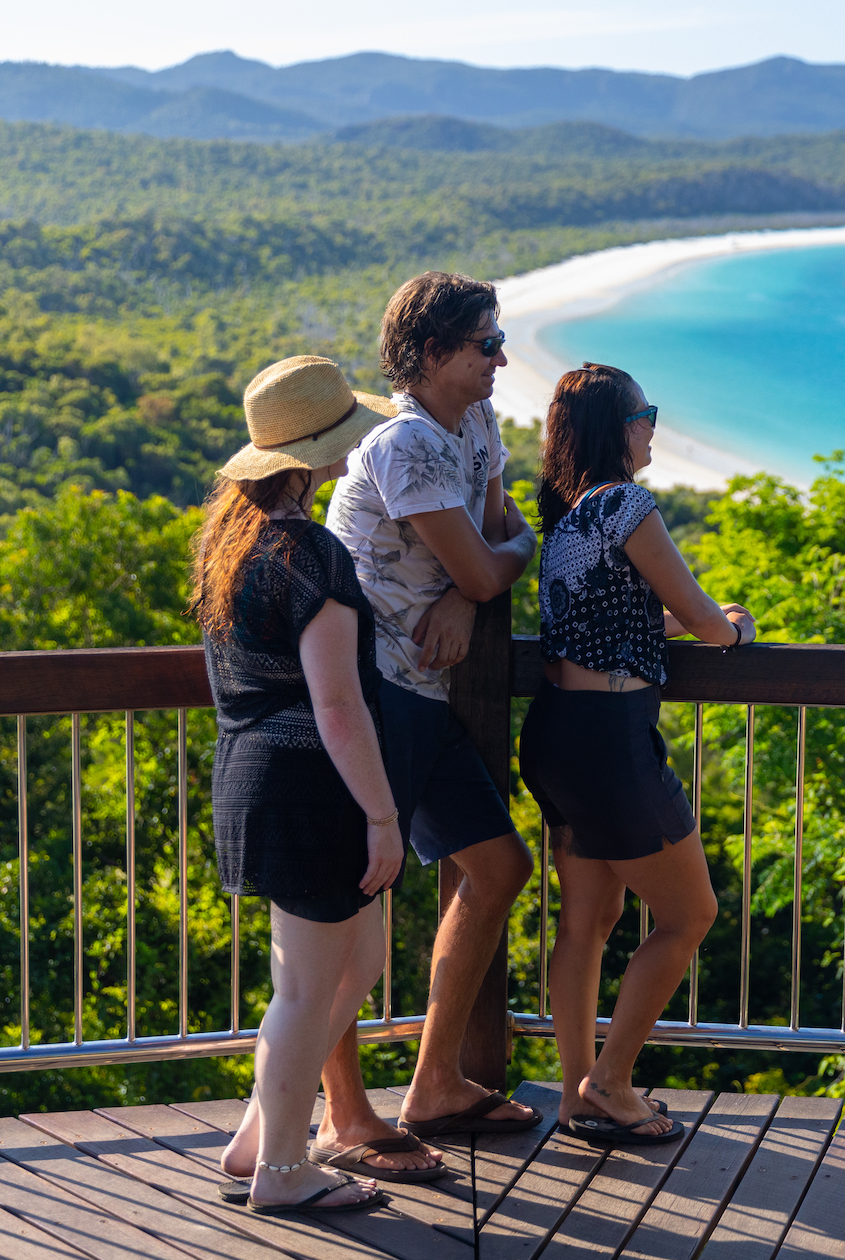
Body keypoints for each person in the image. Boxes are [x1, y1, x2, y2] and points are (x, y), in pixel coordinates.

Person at [192, 355, 447, 1214]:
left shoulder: (234, 543)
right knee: (306, 987)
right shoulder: (312, 554)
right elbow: (338, 705)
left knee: (357, 960)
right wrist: (382, 813)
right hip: (311, 787)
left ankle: (260, 1137)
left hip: (252, 780)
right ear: (315, 455)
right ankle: (283, 1172)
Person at [324, 272, 542, 1136]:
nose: (499, 355)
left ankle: (435, 1082)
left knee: (499, 867)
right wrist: (479, 578)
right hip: (372, 690)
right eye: (484, 343)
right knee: (347, 897)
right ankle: (345, 1112)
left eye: (498, 338)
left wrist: (472, 588)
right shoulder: (403, 444)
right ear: (428, 355)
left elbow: (497, 538)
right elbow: (491, 560)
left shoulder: (477, 425)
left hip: (425, 690)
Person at [518, 363, 746, 1145]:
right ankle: (610, 1082)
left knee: (589, 917)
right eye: (646, 412)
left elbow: (624, 629)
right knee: (691, 913)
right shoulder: (627, 504)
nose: (654, 426)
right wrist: (731, 625)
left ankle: (578, 1092)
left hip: (556, 733)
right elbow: (703, 621)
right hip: (612, 742)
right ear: (619, 428)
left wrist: (694, 621)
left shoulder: (569, 517)